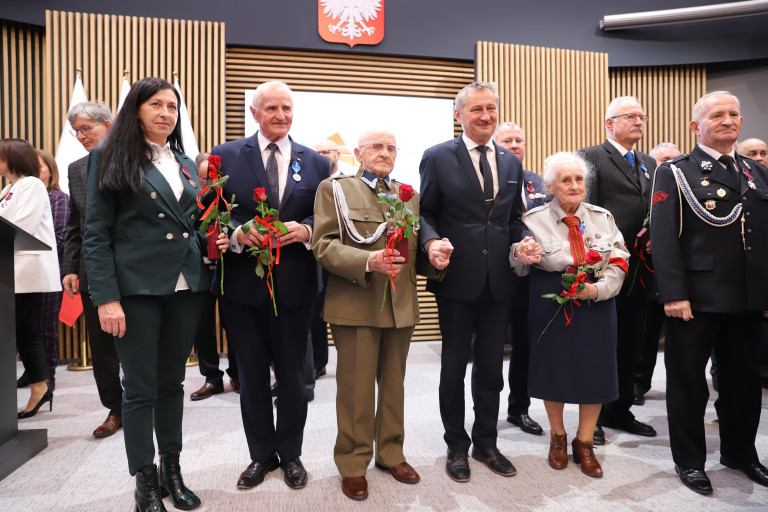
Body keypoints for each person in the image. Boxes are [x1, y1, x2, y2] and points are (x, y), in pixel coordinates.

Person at [83, 77, 229, 512]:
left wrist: (211, 242)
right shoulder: (107, 157)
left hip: (185, 287)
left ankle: (172, 471)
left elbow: (188, 226)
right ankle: (144, 482)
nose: (166, 113)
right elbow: (96, 234)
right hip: (135, 290)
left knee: (172, 383)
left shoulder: (185, 162)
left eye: (172, 106)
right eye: (156, 105)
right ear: (136, 109)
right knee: (140, 390)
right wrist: (106, 298)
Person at [313, 129, 451, 500]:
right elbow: (322, 246)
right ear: (357, 153)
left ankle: (391, 453)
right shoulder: (336, 189)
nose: (385, 152)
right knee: (356, 391)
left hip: (400, 304)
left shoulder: (409, 194)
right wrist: (368, 260)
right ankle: (354, 464)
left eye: (391, 147)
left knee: (394, 387)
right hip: (356, 304)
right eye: (377, 146)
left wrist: (434, 259)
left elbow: (410, 252)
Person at [211, 80, 330, 491]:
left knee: (294, 377)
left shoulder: (315, 162)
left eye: (287, 108)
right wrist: (240, 233)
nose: (281, 115)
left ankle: (291, 453)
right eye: (272, 108)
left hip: (296, 286)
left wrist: (306, 229)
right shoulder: (224, 156)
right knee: (253, 376)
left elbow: (326, 220)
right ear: (254, 112)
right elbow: (210, 218)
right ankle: (260, 455)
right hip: (242, 287)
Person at [650, 91, 768, 495]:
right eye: (716, 114)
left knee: (743, 382)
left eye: (734, 113)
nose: (728, 120)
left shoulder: (755, 171)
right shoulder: (676, 172)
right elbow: (664, 239)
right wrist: (673, 294)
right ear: (695, 125)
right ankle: (690, 461)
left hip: (749, 298)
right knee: (688, 383)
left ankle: (740, 453)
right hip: (695, 299)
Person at [419, 81, 524, 482]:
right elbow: (426, 212)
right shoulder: (437, 156)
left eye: (491, 109)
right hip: (457, 277)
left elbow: (512, 219)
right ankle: (455, 446)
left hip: (499, 280)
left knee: (490, 370)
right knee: (453, 368)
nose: (486, 116)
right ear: (459, 115)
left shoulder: (510, 162)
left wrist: (522, 245)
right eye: (477, 109)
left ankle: (486, 442)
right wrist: (430, 243)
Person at [510, 151, 629, 477]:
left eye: (579, 179)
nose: (575, 185)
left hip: (596, 304)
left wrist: (598, 289)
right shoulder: (532, 220)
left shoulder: (602, 217)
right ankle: (558, 437)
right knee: (555, 370)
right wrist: (521, 252)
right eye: (566, 180)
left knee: (596, 372)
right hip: (552, 301)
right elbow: (518, 264)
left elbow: (619, 258)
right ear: (550, 185)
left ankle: (585, 442)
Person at [579, 96, 657, 445]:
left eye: (641, 116)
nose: (639, 121)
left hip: (641, 269)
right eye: (630, 116)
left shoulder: (650, 162)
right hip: (606, 267)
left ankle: (621, 409)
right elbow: (585, 211)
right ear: (609, 122)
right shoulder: (592, 157)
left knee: (632, 342)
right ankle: (592, 417)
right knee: (600, 344)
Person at [61, 100, 124, 438]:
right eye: (77, 131)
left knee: (141, 342)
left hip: (133, 268)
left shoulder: (133, 160)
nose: (82, 135)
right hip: (91, 269)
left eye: (87, 128)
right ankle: (115, 408)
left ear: (108, 125)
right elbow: (75, 223)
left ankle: (147, 403)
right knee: (101, 347)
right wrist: (70, 267)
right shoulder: (76, 168)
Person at [0, 139, 61, 419]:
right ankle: (39, 386)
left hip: (27, 271)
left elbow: (21, 226)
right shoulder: (8, 189)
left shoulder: (32, 185)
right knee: (26, 333)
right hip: (11, 271)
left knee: (20, 332)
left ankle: (39, 386)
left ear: (13, 158)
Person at [493, 122, 546, 436]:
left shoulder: (538, 182)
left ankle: (519, 409)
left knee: (525, 345)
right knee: (490, 346)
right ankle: (484, 411)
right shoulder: (487, 181)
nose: (514, 145)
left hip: (530, 276)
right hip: (496, 273)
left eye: (519, 140)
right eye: (507, 140)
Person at [189, 151, 240, 400]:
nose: (208, 184)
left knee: (236, 325)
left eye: (213, 178)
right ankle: (211, 378)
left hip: (231, 269)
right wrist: (206, 241)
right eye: (203, 179)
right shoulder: (192, 198)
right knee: (202, 326)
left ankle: (238, 374)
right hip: (198, 270)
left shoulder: (231, 198)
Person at [633, 142, 682, 406]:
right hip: (648, 272)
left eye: (676, 159)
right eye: (665, 159)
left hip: (683, 274)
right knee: (647, 333)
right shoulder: (644, 190)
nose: (671, 164)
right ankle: (639, 382)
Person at [31, 150, 69, 391]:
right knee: (27, 328)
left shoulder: (57, 197)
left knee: (45, 327)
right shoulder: (23, 197)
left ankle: (48, 377)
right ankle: (34, 374)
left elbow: (59, 238)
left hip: (48, 271)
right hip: (23, 272)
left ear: (50, 169)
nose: (35, 170)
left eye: (40, 165)